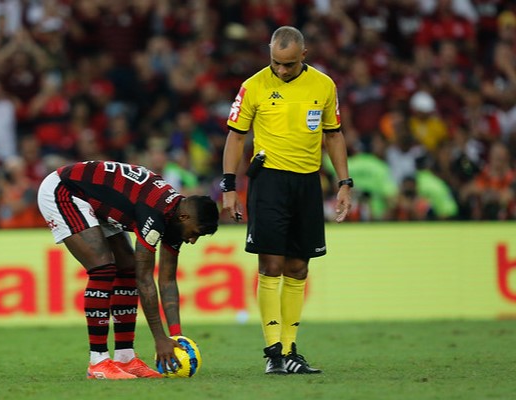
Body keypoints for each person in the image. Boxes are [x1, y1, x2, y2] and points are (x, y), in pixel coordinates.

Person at [220, 26, 352, 375]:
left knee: (299, 267)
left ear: (303, 56)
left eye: (289, 65)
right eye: (276, 63)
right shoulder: (254, 86)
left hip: (308, 183)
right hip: (269, 182)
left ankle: (292, 351)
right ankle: (273, 352)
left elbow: (334, 135)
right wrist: (229, 187)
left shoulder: (324, 86)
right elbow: (235, 138)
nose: (281, 70)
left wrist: (344, 182)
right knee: (271, 266)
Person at [37, 160, 219, 379]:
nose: (192, 240)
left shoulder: (176, 218)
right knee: (102, 268)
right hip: (65, 189)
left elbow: (167, 281)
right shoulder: (155, 213)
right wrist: (159, 338)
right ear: (185, 218)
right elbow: (145, 280)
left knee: (128, 268)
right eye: (195, 233)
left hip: (96, 200)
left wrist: (175, 335)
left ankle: (126, 358)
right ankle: (98, 362)